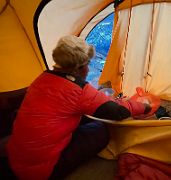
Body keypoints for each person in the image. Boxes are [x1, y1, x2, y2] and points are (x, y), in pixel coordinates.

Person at [6, 35, 154, 179]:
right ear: (79, 68)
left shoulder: (42, 78)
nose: (89, 69)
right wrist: (145, 107)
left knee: (80, 116)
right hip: (40, 172)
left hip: (16, 158)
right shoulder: (78, 91)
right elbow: (119, 112)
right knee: (102, 130)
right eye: (88, 64)